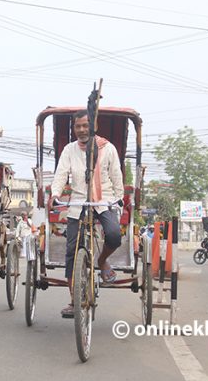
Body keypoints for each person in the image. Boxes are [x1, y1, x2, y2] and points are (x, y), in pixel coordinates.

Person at [49, 109, 124, 319]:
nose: (81, 130)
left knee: (114, 235)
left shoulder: (107, 148)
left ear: (93, 126)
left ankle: (102, 261)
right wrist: (55, 194)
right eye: (77, 126)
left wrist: (119, 198)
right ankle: (74, 300)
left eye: (85, 125)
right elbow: (61, 174)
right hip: (79, 203)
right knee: (72, 252)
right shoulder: (69, 150)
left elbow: (116, 176)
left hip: (103, 201)